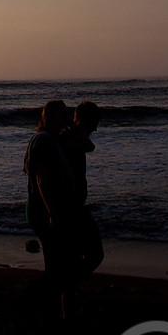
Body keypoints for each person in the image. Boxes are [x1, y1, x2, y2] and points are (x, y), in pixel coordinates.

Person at [24, 99, 80, 317]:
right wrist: (53, 213)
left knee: (56, 264)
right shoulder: (45, 141)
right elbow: (42, 180)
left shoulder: (42, 139)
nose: (68, 118)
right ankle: (40, 304)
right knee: (59, 265)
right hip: (46, 211)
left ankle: (53, 309)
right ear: (53, 117)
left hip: (42, 210)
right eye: (64, 115)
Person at [64, 101, 105, 277]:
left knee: (76, 256)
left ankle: (68, 287)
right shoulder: (71, 138)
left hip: (73, 206)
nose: (95, 129)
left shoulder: (71, 136)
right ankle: (68, 283)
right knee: (94, 254)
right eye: (94, 123)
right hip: (71, 208)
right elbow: (90, 147)